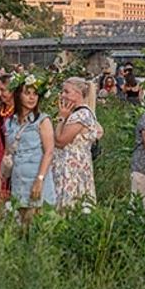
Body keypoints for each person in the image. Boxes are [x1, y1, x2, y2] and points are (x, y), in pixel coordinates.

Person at [6, 72, 56, 221]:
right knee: (21, 222)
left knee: (37, 220)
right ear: (18, 95)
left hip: (35, 177)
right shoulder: (10, 122)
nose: (32, 97)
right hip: (18, 179)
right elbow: (8, 152)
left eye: (35, 94)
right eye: (27, 93)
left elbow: (49, 151)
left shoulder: (42, 120)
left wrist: (39, 179)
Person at [53, 77, 103, 209]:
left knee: (71, 204)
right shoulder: (80, 113)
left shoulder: (80, 115)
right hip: (72, 166)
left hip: (72, 168)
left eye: (67, 92)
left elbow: (60, 141)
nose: (63, 95)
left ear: (78, 94)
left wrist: (61, 119)